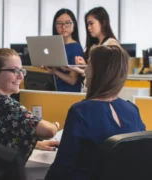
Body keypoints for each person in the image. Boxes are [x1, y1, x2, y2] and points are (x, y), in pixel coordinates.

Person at [45, 45, 146, 180]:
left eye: (89, 64)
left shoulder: (81, 112)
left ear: (99, 71)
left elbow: (62, 168)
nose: (85, 69)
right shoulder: (132, 110)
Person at [0, 48, 60, 163]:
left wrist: (36, 143)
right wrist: (56, 126)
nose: (21, 77)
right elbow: (49, 131)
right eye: (14, 71)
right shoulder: (5, 105)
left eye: (21, 71)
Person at [69, 6, 120, 75]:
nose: (88, 27)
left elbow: (107, 74)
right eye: (87, 24)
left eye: (91, 23)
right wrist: (84, 65)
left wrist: (81, 70)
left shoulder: (111, 44)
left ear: (103, 23)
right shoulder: (94, 45)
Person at [44, 8, 84, 92]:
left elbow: (72, 80)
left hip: (68, 94)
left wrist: (54, 71)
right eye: (59, 23)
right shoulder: (53, 46)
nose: (63, 27)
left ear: (74, 25)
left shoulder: (75, 47)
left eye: (68, 23)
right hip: (54, 91)